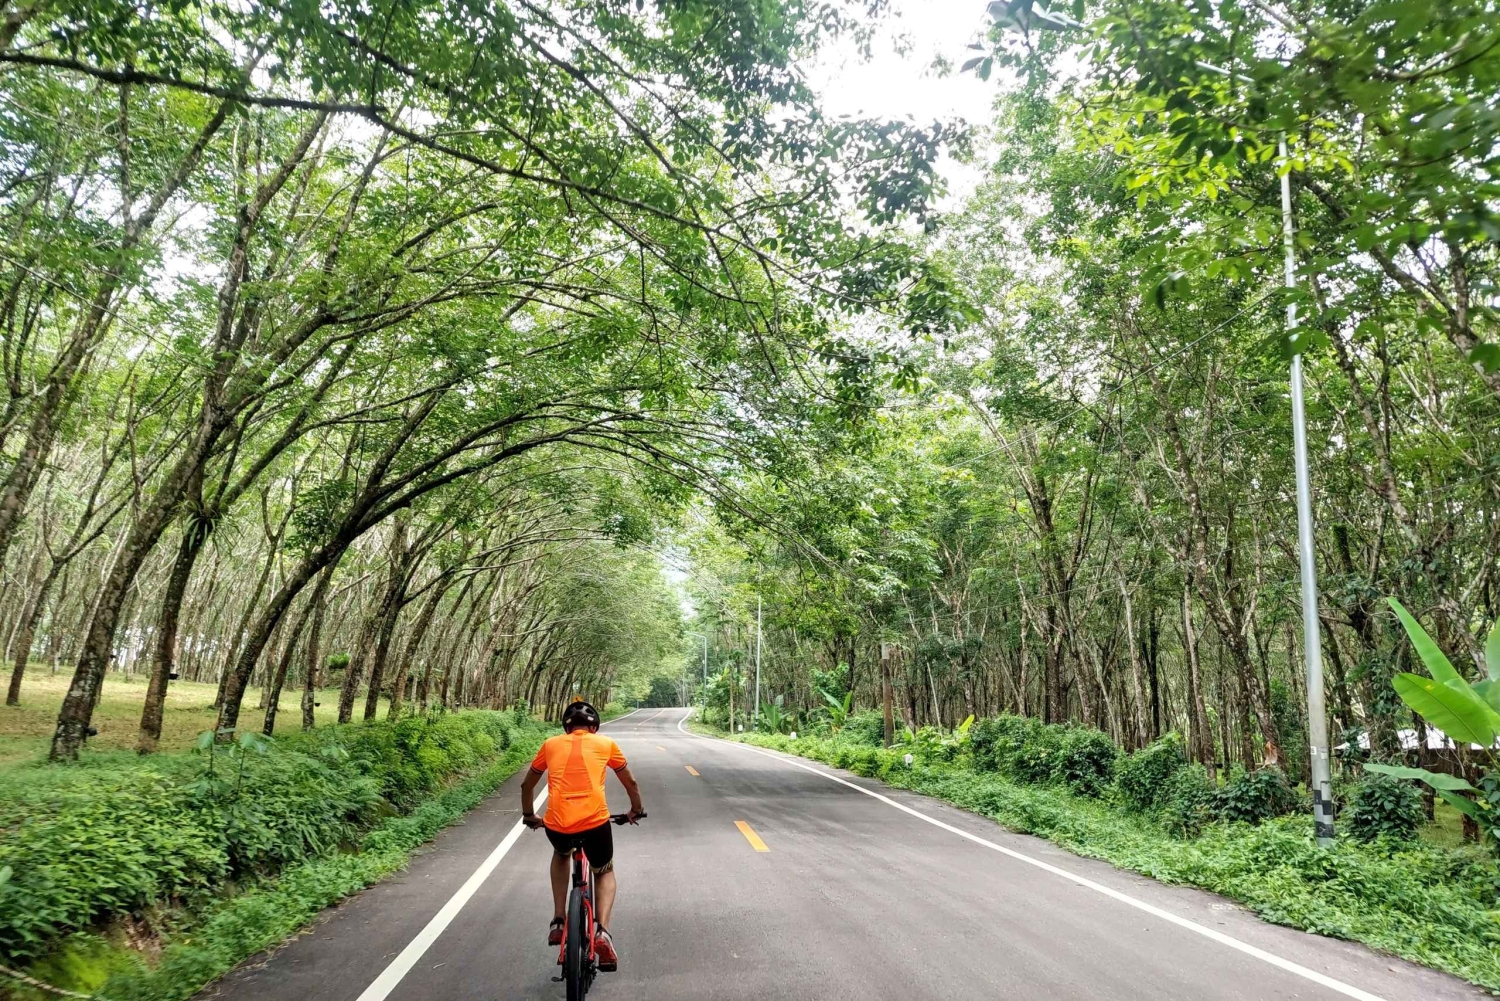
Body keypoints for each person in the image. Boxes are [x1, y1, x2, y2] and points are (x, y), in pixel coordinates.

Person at [520, 700, 644, 972]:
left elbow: (527, 784)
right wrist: (636, 810)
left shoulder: (550, 745)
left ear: (566, 727)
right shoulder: (606, 745)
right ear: (595, 727)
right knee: (604, 870)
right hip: (595, 825)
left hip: (558, 826)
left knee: (561, 854)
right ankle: (603, 933)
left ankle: (558, 921)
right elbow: (631, 783)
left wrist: (529, 815)